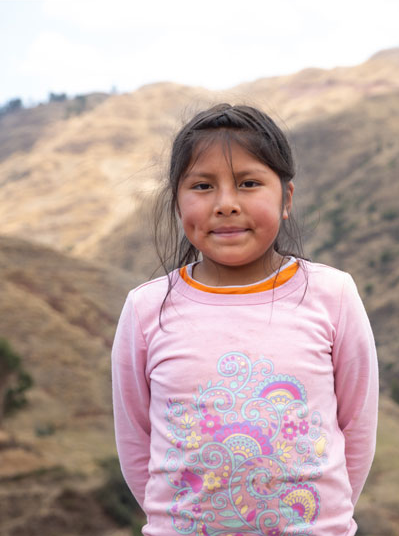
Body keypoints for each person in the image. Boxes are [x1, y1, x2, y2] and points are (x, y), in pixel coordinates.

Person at [111, 103, 378, 536]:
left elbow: (357, 430)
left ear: (286, 198)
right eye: (202, 186)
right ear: (177, 202)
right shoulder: (146, 309)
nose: (226, 204)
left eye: (249, 183)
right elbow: (136, 443)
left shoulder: (332, 294)